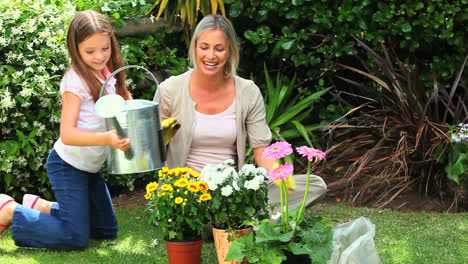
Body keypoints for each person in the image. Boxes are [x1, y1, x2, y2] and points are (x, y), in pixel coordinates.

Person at [153, 14, 327, 211]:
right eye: (204, 47)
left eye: (219, 49)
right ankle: (241, 221)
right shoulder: (170, 90)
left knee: (315, 185)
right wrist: (160, 137)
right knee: (206, 212)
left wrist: (281, 180)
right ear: (194, 48)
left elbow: (261, 149)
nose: (211, 56)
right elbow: (149, 150)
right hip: (187, 195)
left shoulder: (247, 91)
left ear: (229, 52)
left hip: (233, 193)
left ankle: (235, 219)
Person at [0, 10, 132, 249]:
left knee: (106, 230)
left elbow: (125, 103)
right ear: (76, 49)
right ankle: (10, 211)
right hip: (68, 165)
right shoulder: (75, 82)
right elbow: (67, 135)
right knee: (75, 237)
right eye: (90, 51)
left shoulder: (108, 74)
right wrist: (108, 138)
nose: (99, 56)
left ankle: (41, 207)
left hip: (89, 168)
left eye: (105, 48)